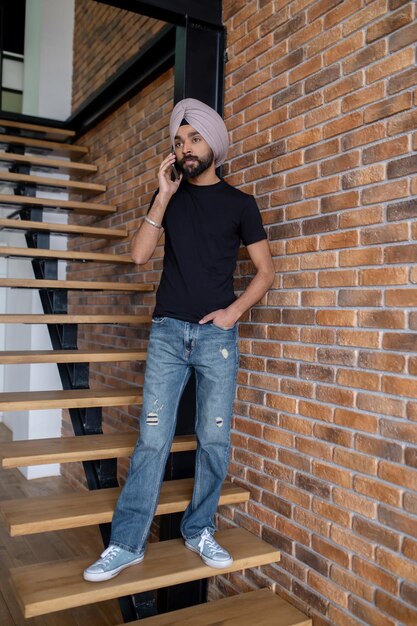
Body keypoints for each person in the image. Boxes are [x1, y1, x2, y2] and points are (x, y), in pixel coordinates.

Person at [83, 98, 275, 582]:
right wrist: (162, 195)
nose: (185, 148)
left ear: (214, 144)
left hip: (216, 340)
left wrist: (232, 314)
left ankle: (199, 528)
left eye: (194, 138)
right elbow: (139, 257)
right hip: (168, 334)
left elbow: (266, 272)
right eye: (178, 141)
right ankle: (127, 543)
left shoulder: (240, 204)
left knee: (213, 440)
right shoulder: (169, 195)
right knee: (152, 440)